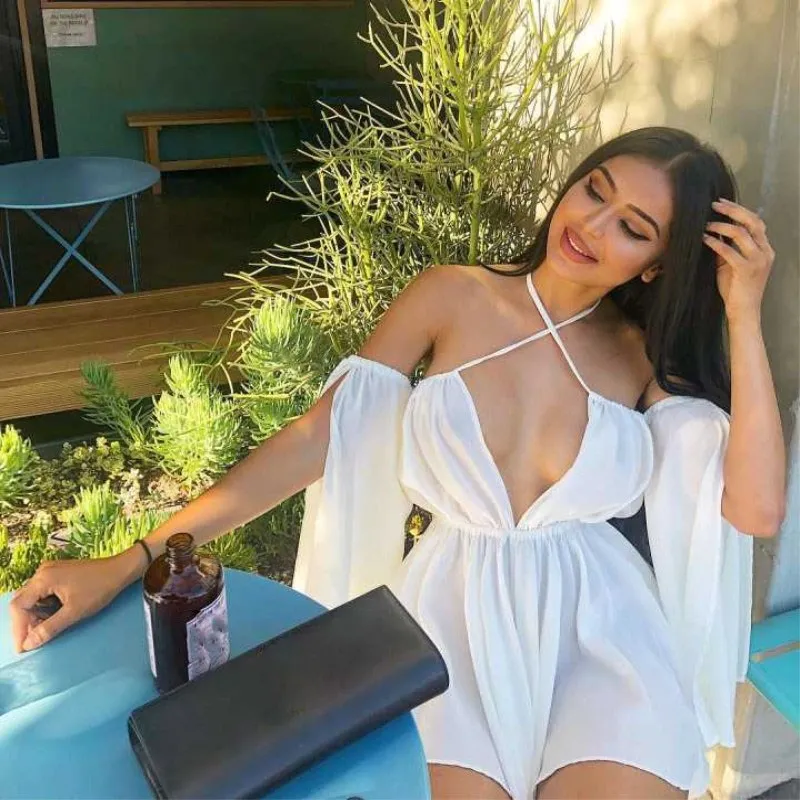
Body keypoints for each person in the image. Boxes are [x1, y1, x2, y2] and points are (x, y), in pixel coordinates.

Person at [10, 127, 785, 800]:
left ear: (657, 265)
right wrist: (134, 557)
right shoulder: (453, 295)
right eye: (595, 190)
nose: (591, 224)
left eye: (634, 228)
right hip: (446, 625)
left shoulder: (642, 358)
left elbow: (755, 509)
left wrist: (743, 312)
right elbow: (316, 439)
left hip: (603, 634)